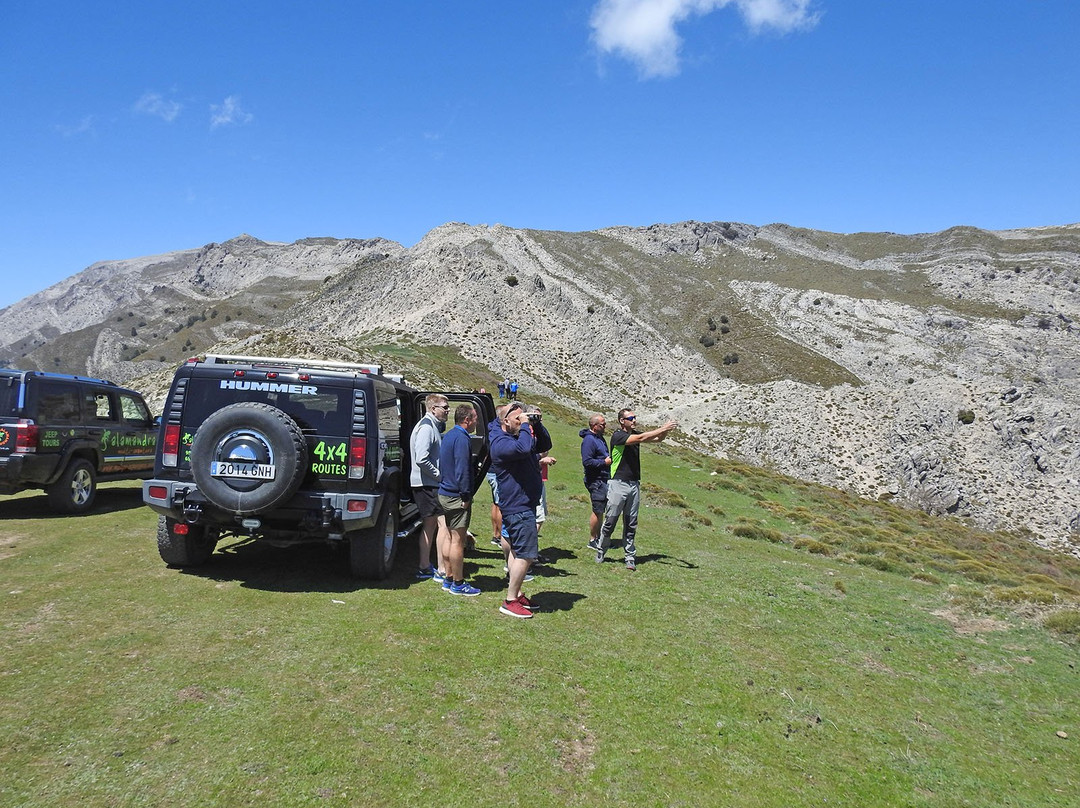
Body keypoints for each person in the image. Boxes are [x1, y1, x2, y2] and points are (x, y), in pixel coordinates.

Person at [594, 408, 677, 571]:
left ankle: (630, 557)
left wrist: (666, 431)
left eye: (634, 417)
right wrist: (663, 428)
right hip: (618, 483)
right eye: (630, 418)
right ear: (621, 421)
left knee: (631, 522)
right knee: (611, 520)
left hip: (633, 484)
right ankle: (601, 550)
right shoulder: (618, 436)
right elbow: (640, 437)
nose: (634, 420)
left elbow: (658, 439)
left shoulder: (635, 434)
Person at [490, 401, 552, 618]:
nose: (522, 421)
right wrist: (526, 425)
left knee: (518, 551)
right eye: (517, 418)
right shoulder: (500, 442)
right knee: (526, 554)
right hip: (518, 505)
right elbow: (524, 448)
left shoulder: (515, 436)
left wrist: (537, 423)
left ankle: (516, 594)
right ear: (505, 421)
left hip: (523, 503)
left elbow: (544, 443)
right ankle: (509, 600)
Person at [438, 403, 481, 595]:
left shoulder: (448, 436)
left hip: (444, 493)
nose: (476, 423)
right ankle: (458, 583)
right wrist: (465, 495)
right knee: (458, 540)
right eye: (475, 419)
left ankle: (448, 577)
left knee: (448, 536)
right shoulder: (463, 439)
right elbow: (462, 469)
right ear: (467, 420)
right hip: (456, 496)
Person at [410, 394, 450, 581]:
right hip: (427, 484)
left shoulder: (430, 425)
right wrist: (438, 475)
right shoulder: (426, 427)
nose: (448, 411)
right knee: (442, 524)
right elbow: (421, 458)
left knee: (430, 525)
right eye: (444, 407)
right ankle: (441, 569)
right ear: (433, 408)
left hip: (427, 483)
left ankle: (425, 566)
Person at [579, 414, 611, 548]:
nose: (605, 426)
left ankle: (599, 538)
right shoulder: (589, 440)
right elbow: (587, 461)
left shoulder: (599, 438)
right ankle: (593, 540)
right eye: (602, 424)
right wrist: (604, 462)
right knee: (597, 510)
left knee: (600, 510)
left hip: (603, 478)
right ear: (594, 426)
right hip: (596, 480)